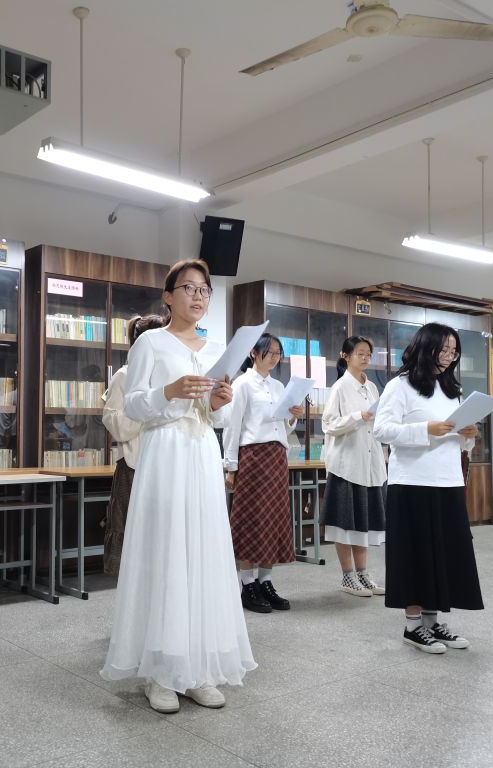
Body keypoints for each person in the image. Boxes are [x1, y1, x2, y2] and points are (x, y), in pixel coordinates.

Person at [101, 258, 256, 714]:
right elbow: (133, 406)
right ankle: (160, 672)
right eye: (189, 288)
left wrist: (220, 401)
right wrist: (168, 391)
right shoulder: (150, 342)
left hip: (202, 452)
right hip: (164, 451)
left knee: (203, 552)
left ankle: (197, 669)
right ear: (168, 297)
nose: (198, 296)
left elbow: (218, 417)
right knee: (166, 551)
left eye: (205, 290)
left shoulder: (216, 349)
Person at [372, 323, 483, 654]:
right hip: (412, 482)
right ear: (426, 347)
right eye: (444, 349)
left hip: (448, 480)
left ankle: (433, 623)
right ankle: (412, 626)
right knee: (415, 554)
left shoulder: (451, 390)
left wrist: (469, 435)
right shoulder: (400, 386)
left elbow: (459, 441)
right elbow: (381, 430)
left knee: (442, 554)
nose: (449, 356)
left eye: (454, 351)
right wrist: (426, 429)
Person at [223, 333, 303, 613]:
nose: (275, 357)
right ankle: (247, 584)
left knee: (273, 520)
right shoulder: (242, 384)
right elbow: (232, 426)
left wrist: (293, 416)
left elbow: (284, 427)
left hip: (277, 457)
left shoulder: (279, 386)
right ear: (254, 353)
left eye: (278, 353)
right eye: (270, 352)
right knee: (250, 521)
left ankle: (265, 581)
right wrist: (230, 466)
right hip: (253, 457)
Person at [320, 336, 387, 598]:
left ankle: (362, 574)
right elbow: (329, 424)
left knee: (363, 523)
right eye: (360, 353)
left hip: (369, 464)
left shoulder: (372, 388)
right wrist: (359, 416)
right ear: (345, 356)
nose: (365, 357)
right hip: (346, 465)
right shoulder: (340, 387)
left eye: (368, 354)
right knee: (344, 524)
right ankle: (347, 576)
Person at [101, 313, 165, 576]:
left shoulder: (168, 377)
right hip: (134, 467)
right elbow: (117, 426)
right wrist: (150, 406)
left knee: (161, 540)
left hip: (165, 466)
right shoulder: (124, 376)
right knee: (131, 541)